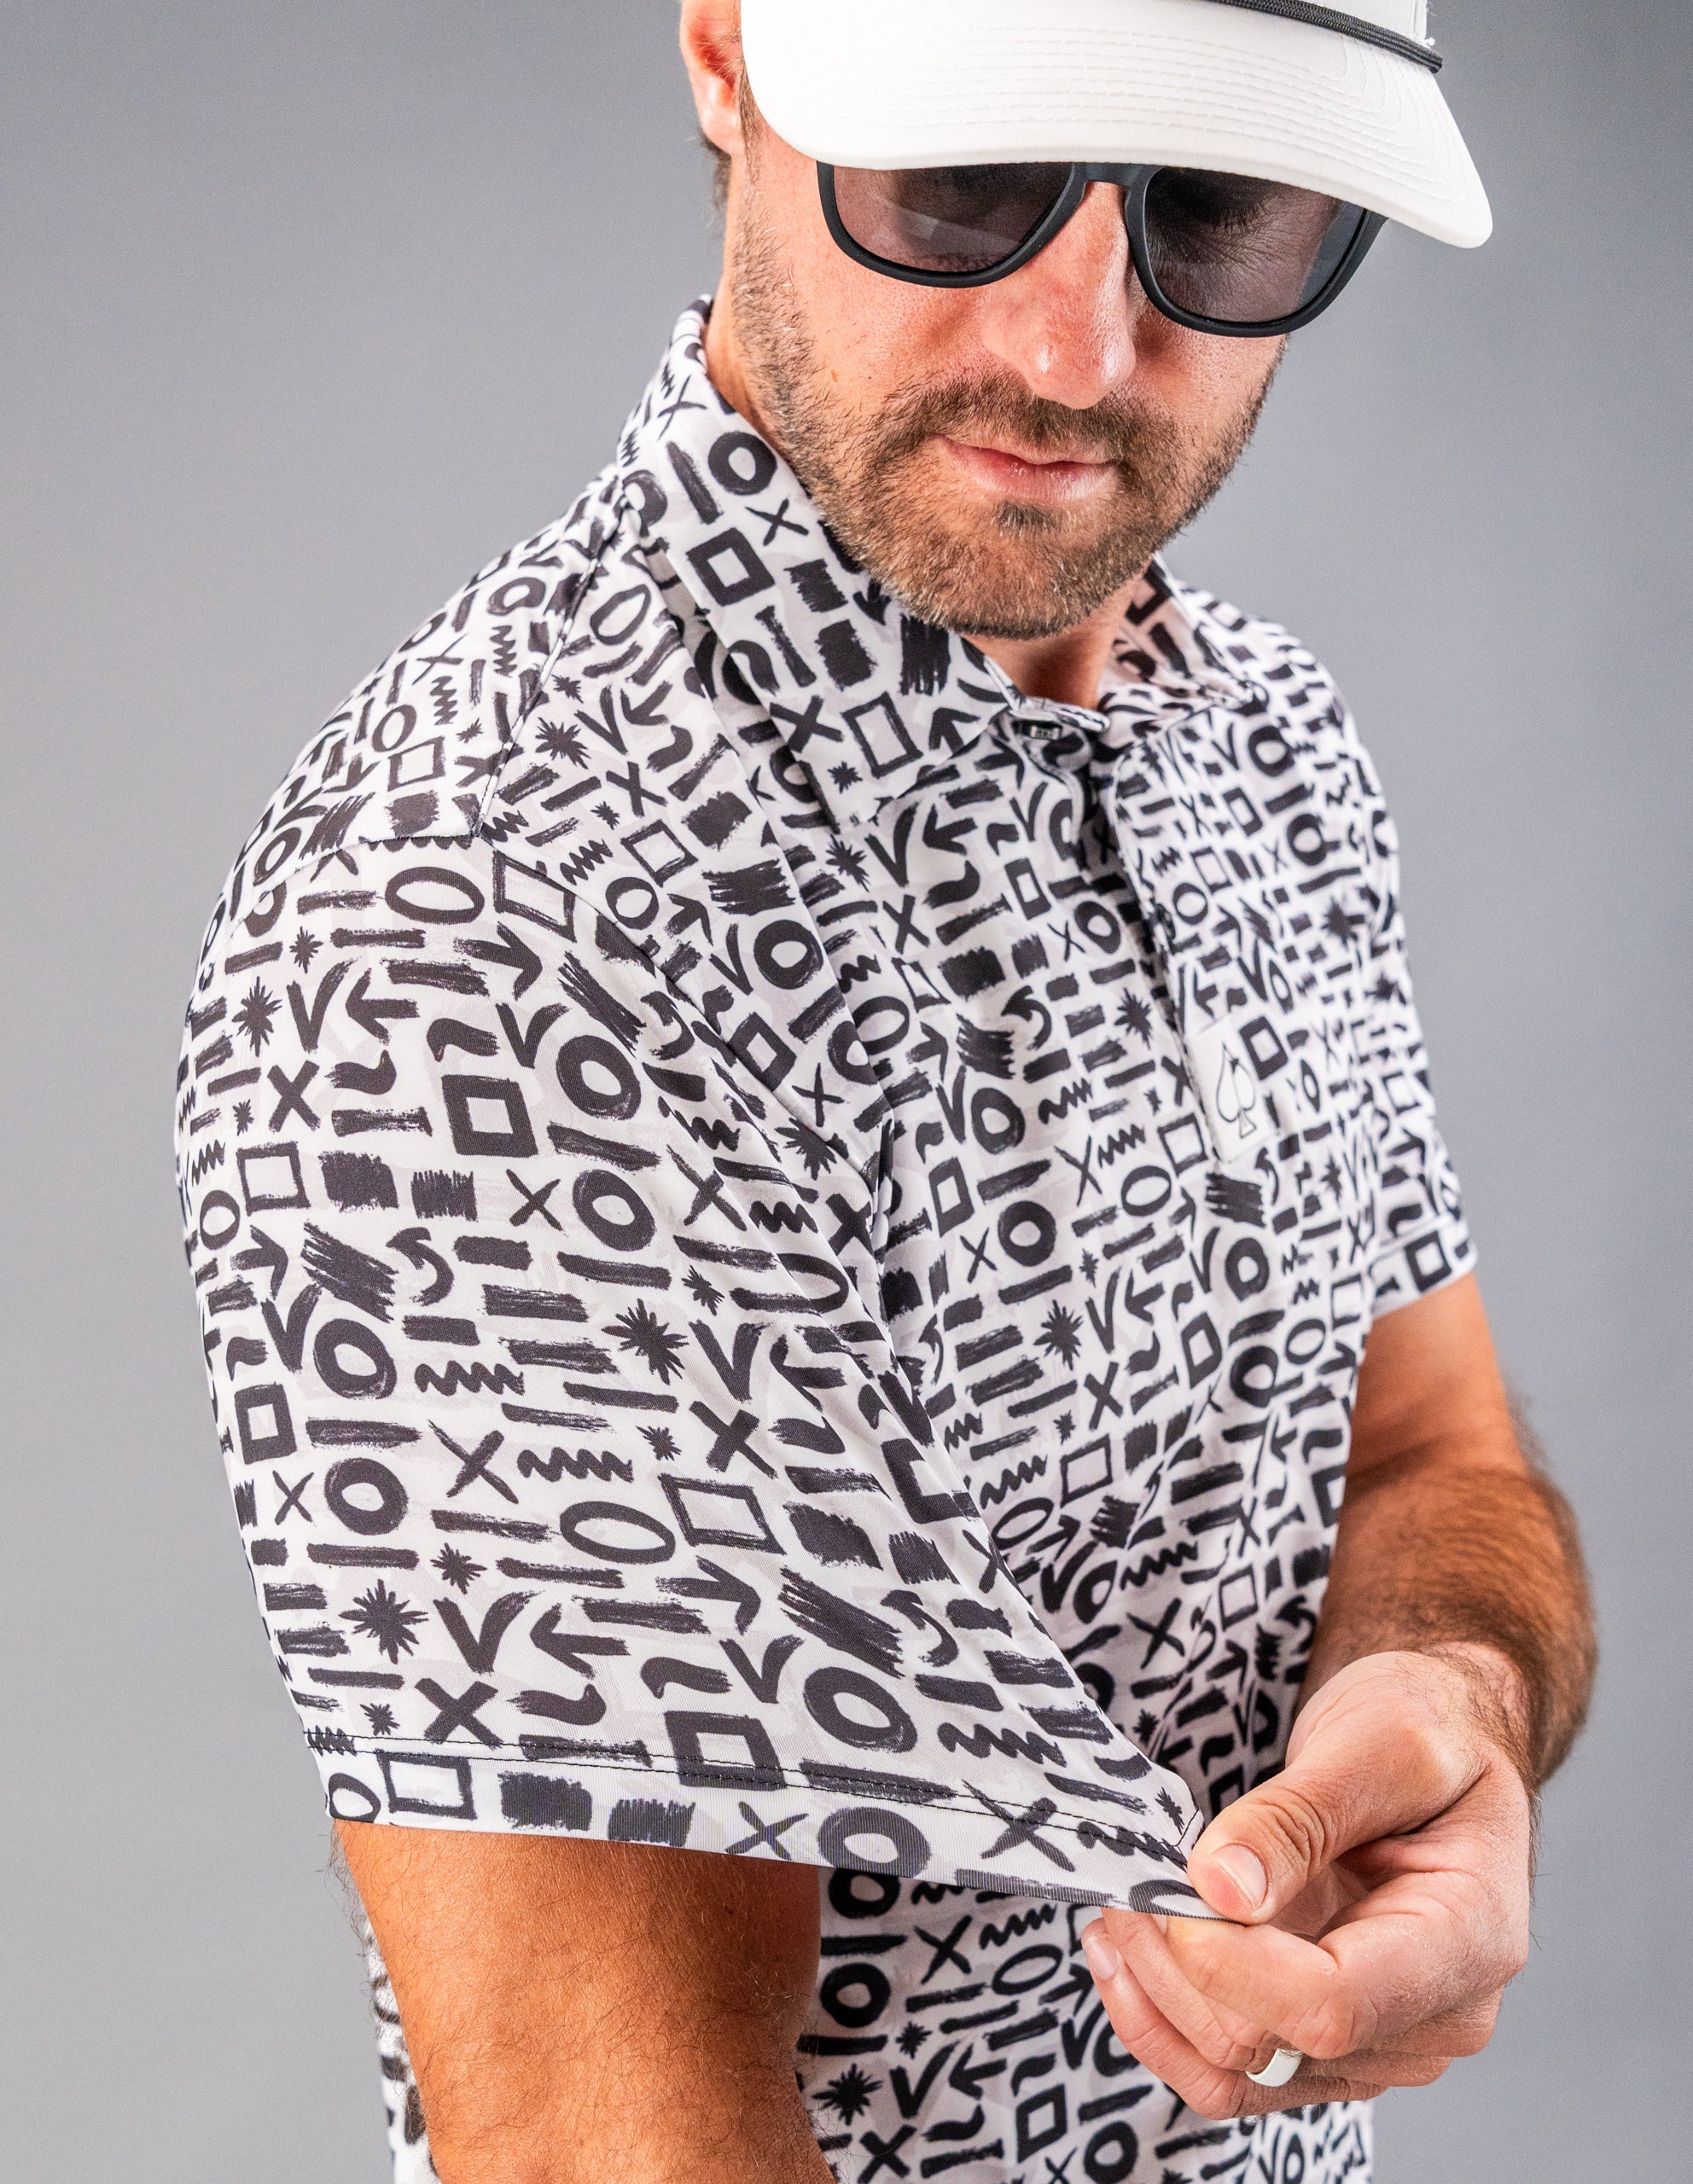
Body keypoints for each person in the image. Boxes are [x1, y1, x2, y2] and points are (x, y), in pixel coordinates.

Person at [173, 3, 1596, 2178]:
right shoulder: (501, 893)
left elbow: (1424, 1443)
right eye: (962, 178)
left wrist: (1450, 1711)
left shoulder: (1271, 746)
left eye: (1216, 212)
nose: (1076, 345)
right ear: (729, 55)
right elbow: (610, 2142)